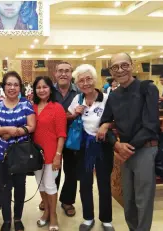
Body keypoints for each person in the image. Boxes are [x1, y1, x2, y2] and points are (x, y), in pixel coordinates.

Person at [97, 53, 160, 231]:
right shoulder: (114, 96)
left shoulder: (147, 89)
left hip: (145, 149)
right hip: (124, 151)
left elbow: (151, 125)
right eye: (115, 67)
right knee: (129, 200)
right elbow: (104, 123)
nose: (120, 70)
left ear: (132, 65)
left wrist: (127, 147)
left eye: (124, 65)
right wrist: (116, 145)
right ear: (111, 71)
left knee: (143, 200)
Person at [67, 64, 114, 231]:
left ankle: (107, 219)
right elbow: (68, 118)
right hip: (83, 146)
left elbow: (116, 117)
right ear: (77, 83)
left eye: (88, 79)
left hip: (102, 145)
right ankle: (88, 217)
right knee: (85, 182)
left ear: (95, 80)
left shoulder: (107, 97)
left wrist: (106, 125)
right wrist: (74, 114)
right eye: (81, 80)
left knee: (103, 182)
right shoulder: (77, 99)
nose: (85, 83)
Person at [0, 71, 36, 231]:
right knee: (4, 188)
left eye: (15, 84)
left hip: (20, 155)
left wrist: (15, 132)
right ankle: (7, 219)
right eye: (9, 84)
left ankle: (17, 218)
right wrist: (7, 129)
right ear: (3, 86)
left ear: (20, 87)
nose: (12, 87)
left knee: (20, 187)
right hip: (1, 155)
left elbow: (31, 126)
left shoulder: (26, 105)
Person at [33, 76, 67, 231]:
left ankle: (53, 215)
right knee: (41, 185)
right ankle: (46, 211)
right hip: (35, 155)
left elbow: (61, 134)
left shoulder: (57, 107)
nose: (41, 90)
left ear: (50, 89)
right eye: (38, 87)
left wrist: (58, 155)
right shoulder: (31, 106)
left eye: (45, 87)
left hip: (52, 154)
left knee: (50, 185)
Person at [51, 61, 80, 217]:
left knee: (71, 171)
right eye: (60, 71)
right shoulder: (49, 91)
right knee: (52, 171)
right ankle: (49, 198)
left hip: (73, 137)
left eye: (67, 71)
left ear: (71, 74)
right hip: (52, 137)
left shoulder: (78, 92)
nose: (63, 74)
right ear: (55, 73)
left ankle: (67, 201)